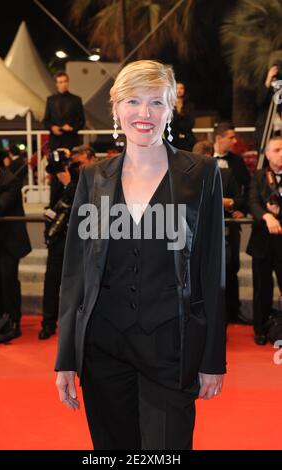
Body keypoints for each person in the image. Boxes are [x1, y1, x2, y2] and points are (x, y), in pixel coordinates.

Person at [54, 60, 226, 450]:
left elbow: (212, 269)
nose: (144, 114)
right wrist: (66, 355)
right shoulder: (93, 178)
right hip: (103, 347)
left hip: (172, 345)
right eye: (132, 101)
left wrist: (213, 358)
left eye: (156, 103)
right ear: (115, 109)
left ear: (171, 109)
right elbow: (75, 273)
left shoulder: (201, 173)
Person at [39, 147, 96, 340]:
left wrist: (70, 184)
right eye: (74, 163)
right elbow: (55, 206)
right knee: (51, 282)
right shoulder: (61, 180)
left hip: (82, 238)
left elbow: (86, 203)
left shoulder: (98, 176)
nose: (76, 167)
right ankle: (48, 323)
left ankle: (79, 323)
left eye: (79, 163)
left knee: (79, 284)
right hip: (59, 238)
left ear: (91, 159)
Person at [193, 140, 245, 325]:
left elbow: (239, 200)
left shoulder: (225, 174)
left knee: (226, 275)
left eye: (206, 161)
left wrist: (226, 203)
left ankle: (227, 316)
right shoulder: (186, 177)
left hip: (223, 236)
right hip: (194, 238)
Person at [0, 150, 31, 343]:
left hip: (10, 241)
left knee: (8, 281)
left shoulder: (11, 181)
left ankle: (13, 322)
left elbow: (0, 208)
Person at [213, 122, 251, 324]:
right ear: (219, 138)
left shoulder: (237, 162)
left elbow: (247, 189)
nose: (235, 141)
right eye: (231, 137)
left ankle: (233, 312)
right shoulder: (202, 158)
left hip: (229, 226)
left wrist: (239, 207)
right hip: (205, 227)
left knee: (232, 267)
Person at [246, 135, 282, 345]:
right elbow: (252, 202)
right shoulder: (259, 176)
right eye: (276, 150)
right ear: (267, 154)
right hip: (262, 243)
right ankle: (260, 329)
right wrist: (267, 215)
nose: (280, 154)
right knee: (262, 288)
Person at [43, 71, 85, 151]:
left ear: (68, 82)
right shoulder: (50, 100)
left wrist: (71, 128)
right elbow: (46, 120)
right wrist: (52, 127)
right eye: (60, 82)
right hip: (55, 141)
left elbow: (82, 121)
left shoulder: (76, 100)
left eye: (65, 81)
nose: (63, 84)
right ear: (56, 84)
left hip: (71, 140)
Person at [165, 81, 196, 151]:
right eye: (177, 88)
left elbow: (191, 123)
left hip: (187, 140)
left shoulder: (189, 105)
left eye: (181, 88)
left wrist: (177, 122)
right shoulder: (168, 105)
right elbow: (168, 124)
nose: (179, 90)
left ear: (184, 90)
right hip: (172, 140)